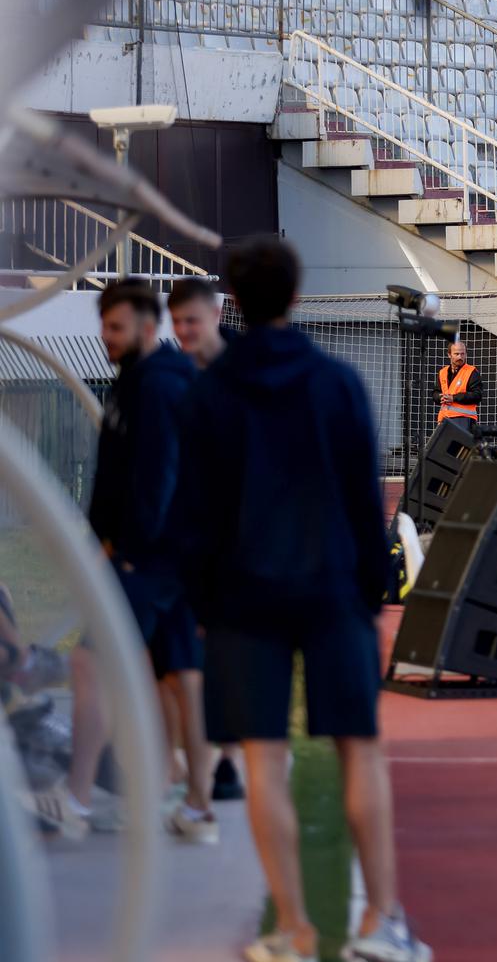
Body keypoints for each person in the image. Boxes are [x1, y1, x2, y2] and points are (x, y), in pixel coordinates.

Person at [171, 238, 430, 962]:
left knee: (263, 759)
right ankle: (381, 922)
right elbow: (364, 499)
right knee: (359, 751)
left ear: (233, 302)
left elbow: (192, 513)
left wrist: (204, 598)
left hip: (241, 599)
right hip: (328, 592)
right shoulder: (336, 382)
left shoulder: (208, 395)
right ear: (293, 294)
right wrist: (370, 597)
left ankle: (292, 927)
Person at [88, 280, 217, 844]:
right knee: (175, 675)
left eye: (115, 327)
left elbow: (157, 475)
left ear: (146, 327)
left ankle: (83, 793)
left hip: (154, 557)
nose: (105, 338)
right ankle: (188, 796)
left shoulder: (160, 385)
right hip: (168, 555)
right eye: (104, 326)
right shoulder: (140, 381)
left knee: (96, 667)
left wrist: (129, 549)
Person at [165, 277, 246, 803]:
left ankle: (227, 762)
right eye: (177, 323)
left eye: (192, 320)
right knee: (184, 654)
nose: (185, 331)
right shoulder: (176, 376)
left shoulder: (243, 371)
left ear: (216, 315)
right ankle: (191, 760)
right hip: (189, 536)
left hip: (237, 538)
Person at [436, 340, 480, 426]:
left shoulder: (471, 371)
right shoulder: (442, 372)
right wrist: (439, 397)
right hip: (444, 419)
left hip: (464, 419)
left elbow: (477, 395)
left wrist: (454, 398)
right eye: (456, 354)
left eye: (462, 354)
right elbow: (435, 392)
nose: (460, 357)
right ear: (449, 355)